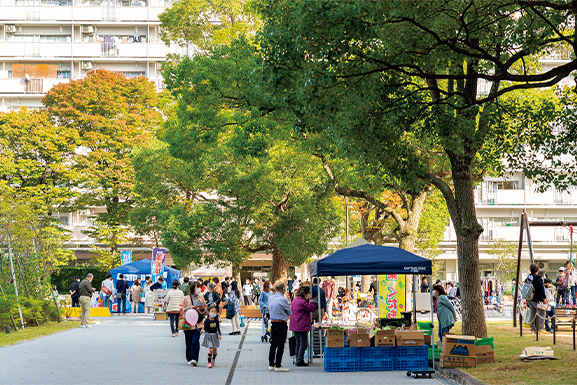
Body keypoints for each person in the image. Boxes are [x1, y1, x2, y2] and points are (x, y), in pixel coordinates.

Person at [180, 281, 207, 365]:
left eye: (199, 287)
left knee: (195, 341)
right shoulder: (186, 298)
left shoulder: (201, 298)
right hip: (187, 323)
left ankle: (194, 359)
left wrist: (202, 308)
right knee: (188, 342)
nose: (199, 289)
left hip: (198, 323)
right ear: (192, 288)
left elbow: (205, 310)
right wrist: (189, 308)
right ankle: (189, 358)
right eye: (197, 287)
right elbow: (180, 308)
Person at [289, 285, 316, 366]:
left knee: (298, 343)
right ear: (304, 293)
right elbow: (311, 308)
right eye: (308, 293)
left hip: (295, 325)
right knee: (303, 343)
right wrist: (311, 300)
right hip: (301, 325)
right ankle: (300, 360)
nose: (309, 295)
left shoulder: (294, 300)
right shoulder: (302, 302)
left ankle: (298, 359)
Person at [267, 281, 291, 372]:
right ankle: (278, 365)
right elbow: (289, 312)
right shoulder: (283, 299)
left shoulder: (270, 298)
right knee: (280, 344)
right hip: (281, 323)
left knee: (273, 344)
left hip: (273, 323)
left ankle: (271, 364)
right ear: (283, 289)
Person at [526, 263, 547, 334]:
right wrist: (544, 298)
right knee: (542, 313)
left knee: (532, 313)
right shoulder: (538, 278)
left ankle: (532, 328)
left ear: (530, 270)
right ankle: (540, 329)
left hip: (529, 298)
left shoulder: (528, 277)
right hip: (537, 299)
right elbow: (541, 289)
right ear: (538, 270)